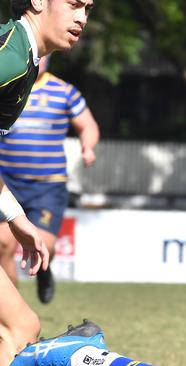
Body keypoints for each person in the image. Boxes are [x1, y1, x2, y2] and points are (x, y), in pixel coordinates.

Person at [0, 2, 151, 366]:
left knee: (19, 329)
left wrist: (17, 220)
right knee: (17, 331)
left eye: (88, 7)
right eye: (73, 4)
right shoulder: (9, 58)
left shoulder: (25, 59)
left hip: (41, 189)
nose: (82, 17)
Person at [0, 54, 100, 305]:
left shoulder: (63, 92)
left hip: (47, 186)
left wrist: (88, 147)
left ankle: (45, 272)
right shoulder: (8, 87)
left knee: (43, 246)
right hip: (7, 182)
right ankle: (14, 310)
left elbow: (88, 125)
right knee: (2, 245)